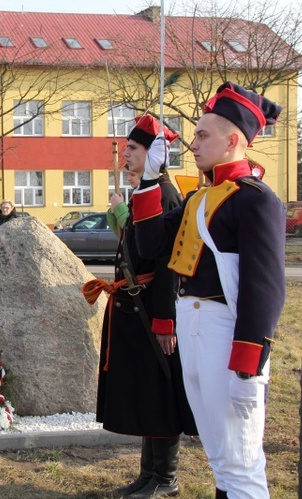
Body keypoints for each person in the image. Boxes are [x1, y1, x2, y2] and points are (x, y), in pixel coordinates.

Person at [131, 83, 285, 498]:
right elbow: (151, 246)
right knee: (219, 453)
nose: (192, 144)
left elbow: (264, 289)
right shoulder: (200, 196)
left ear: (233, 141)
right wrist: (149, 180)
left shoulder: (255, 201)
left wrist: (248, 366)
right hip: (193, 324)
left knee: (239, 455)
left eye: (202, 135)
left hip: (224, 331)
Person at [84, 116, 197, 498]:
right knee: (148, 392)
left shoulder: (165, 195)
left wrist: (165, 320)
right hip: (136, 305)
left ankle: (166, 478)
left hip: (153, 307)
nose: (125, 155)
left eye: (132, 148)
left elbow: (167, 263)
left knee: (160, 391)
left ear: (154, 154)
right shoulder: (148, 191)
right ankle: (149, 474)